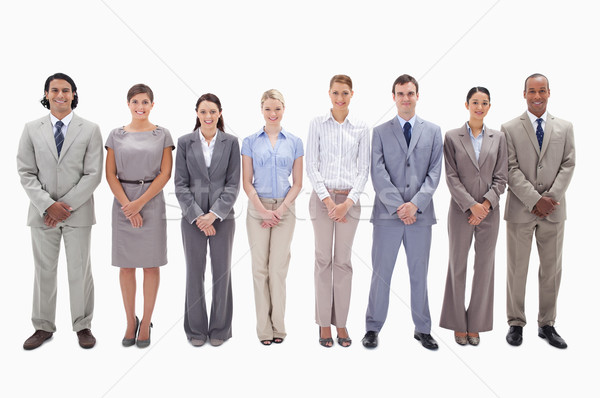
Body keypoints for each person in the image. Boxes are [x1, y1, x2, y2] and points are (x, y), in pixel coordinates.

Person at [17, 73, 103, 350]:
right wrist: (48, 205)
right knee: (44, 271)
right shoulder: (31, 129)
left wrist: (63, 207)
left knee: (80, 270)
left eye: (66, 90)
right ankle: (43, 327)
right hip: (42, 214)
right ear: (46, 94)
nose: (60, 95)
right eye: (54, 90)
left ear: (74, 95)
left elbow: (93, 174)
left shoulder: (89, 129)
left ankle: (83, 326)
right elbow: (26, 172)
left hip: (77, 214)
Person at [363, 74, 443, 350]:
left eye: (410, 93)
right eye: (400, 93)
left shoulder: (432, 131)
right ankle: (372, 327)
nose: (405, 98)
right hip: (387, 216)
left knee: (419, 273)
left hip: (420, 216)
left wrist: (415, 204)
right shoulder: (381, 132)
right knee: (381, 273)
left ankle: (423, 329)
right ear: (393, 97)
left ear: (417, 96)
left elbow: (434, 172)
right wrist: (399, 206)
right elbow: (378, 171)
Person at [502, 73, 575, 349]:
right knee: (516, 269)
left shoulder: (565, 127)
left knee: (551, 270)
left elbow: (569, 164)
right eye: (531, 91)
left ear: (549, 92)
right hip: (521, 210)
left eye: (541, 90)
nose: (537, 96)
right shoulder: (509, 128)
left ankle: (547, 324)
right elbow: (509, 168)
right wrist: (534, 200)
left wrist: (550, 198)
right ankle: (515, 323)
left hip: (554, 211)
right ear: (524, 94)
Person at [105, 84, 174, 348]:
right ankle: (129, 321)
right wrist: (127, 205)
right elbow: (110, 174)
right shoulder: (116, 135)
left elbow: (165, 174)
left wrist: (140, 204)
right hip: (123, 202)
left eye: (145, 102)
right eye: (135, 102)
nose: (140, 107)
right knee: (126, 265)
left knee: (151, 264)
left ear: (152, 105)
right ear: (128, 104)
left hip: (152, 202)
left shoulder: (162, 134)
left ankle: (146, 321)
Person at [439, 87, 508, 346]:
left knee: (485, 267)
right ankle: (458, 323)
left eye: (485, 103)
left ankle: (476, 324)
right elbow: (451, 177)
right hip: (460, 212)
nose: (480, 107)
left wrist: (486, 205)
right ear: (466, 104)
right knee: (457, 265)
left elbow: (502, 177)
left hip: (490, 214)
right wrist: (471, 206)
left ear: (489, 106)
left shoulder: (498, 138)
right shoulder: (452, 137)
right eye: (475, 102)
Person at [306, 74, 370, 348]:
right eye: (335, 93)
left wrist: (347, 202)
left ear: (352, 94)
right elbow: (311, 164)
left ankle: (341, 321)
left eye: (345, 93)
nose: (340, 98)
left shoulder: (362, 127)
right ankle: (323, 324)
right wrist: (329, 202)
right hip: (322, 200)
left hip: (350, 202)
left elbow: (363, 168)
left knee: (343, 261)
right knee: (323, 260)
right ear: (329, 94)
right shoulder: (317, 124)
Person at [175, 93, 240, 347]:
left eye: (212, 111)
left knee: (221, 273)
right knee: (194, 273)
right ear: (197, 114)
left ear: (220, 113)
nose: (208, 116)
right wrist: (197, 216)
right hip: (192, 220)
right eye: (203, 111)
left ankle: (221, 329)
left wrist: (214, 214)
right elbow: (180, 184)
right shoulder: (184, 142)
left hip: (223, 218)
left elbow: (233, 184)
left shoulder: (232, 143)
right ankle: (196, 329)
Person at [242, 89, 303, 346]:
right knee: (260, 270)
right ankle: (264, 329)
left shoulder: (295, 141)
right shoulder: (250, 141)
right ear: (261, 110)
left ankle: (279, 326)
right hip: (258, 208)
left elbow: (298, 183)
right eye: (268, 108)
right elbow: (246, 182)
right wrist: (263, 210)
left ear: (284, 109)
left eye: (277, 108)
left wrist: (279, 211)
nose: (273, 113)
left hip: (285, 210)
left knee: (277, 269)